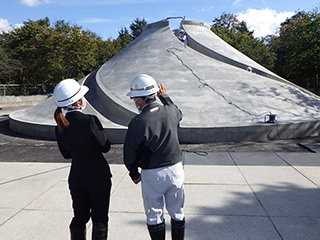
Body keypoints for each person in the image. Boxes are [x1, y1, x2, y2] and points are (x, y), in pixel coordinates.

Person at [123, 74, 185, 240]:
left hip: (153, 173)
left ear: (140, 99)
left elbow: (129, 152)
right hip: (175, 168)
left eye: (135, 98)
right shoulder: (171, 112)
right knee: (177, 211)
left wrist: (134, 173)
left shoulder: (138, 122)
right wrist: (164, 97)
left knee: (154, 215)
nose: (135, 101)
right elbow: (179, 113)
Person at [53, 79, 112, 240]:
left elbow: (67, 155)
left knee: (79, 217)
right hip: (98, 177)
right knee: (99, 218)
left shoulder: (60, 126)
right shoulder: (90, 121)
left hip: (77, 177)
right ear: (78, 101)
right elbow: (105, 147)